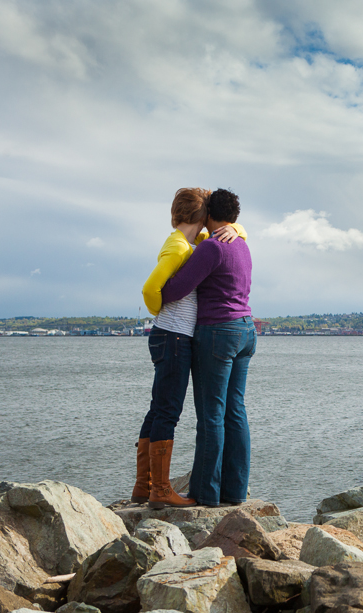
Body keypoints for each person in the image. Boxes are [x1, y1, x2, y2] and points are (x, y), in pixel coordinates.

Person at [132, 188, 245, 509]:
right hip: (174, 335)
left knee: (159, 408)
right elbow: (150, 288)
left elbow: (228, 234)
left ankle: (145, 486)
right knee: (168, 410)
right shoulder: (180, 246)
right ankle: (160, 490)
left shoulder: (196, 244)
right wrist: (162, 311)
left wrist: (237, 228)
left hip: (175, 335)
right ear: (202, 216)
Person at [161, 188, 256, 507]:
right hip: (245, 330)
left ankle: (206, 492)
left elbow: (175, 290)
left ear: (210, 215)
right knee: (235, 411)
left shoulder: (212, 247)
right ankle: (235, 491)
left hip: (217, 332)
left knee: (211, 413)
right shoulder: (241, 244)